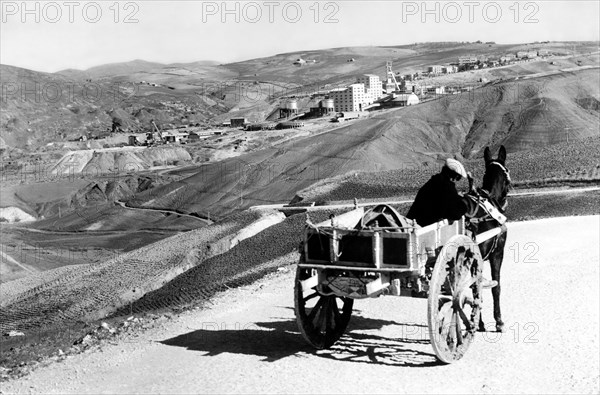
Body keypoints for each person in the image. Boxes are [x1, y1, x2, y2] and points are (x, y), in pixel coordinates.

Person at [406, 158, 472, 227]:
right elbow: (455, 214)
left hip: (413, 221)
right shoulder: (448, 187)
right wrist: (464, 205)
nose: (457, 180)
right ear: (455, 176)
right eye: (459, 178)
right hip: (425, 226)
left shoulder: (433, 181)